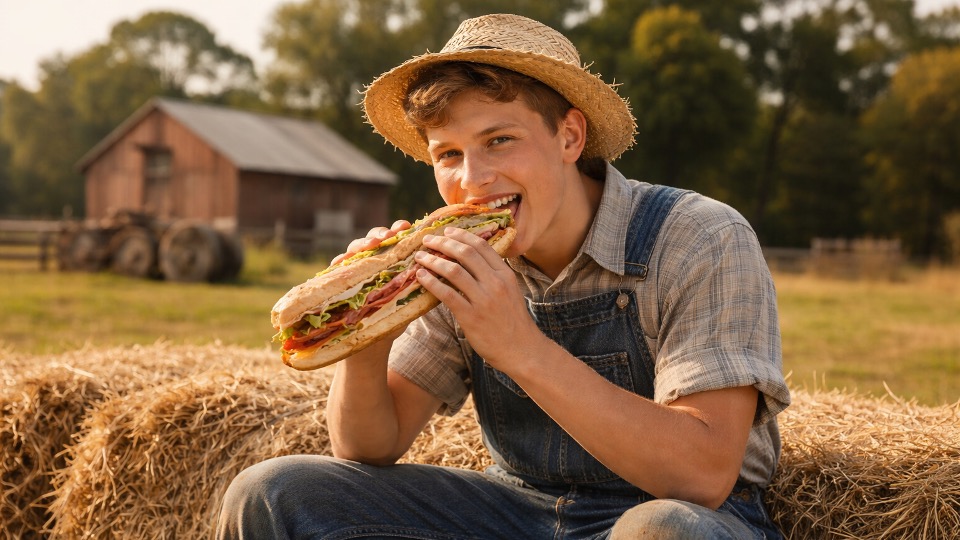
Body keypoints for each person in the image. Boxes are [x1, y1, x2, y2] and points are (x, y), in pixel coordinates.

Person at [217, 13, 790, 540]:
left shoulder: (700, 237)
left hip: (684, 516)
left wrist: (519, 347)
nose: (473, 179)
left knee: (664, 529)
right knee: (273, 492)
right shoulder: (456, 256)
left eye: (499, 140)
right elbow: (370, 445)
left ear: (570, 136)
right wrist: (366, 336)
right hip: (518, 511)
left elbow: (702, 475)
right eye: (448, 155)